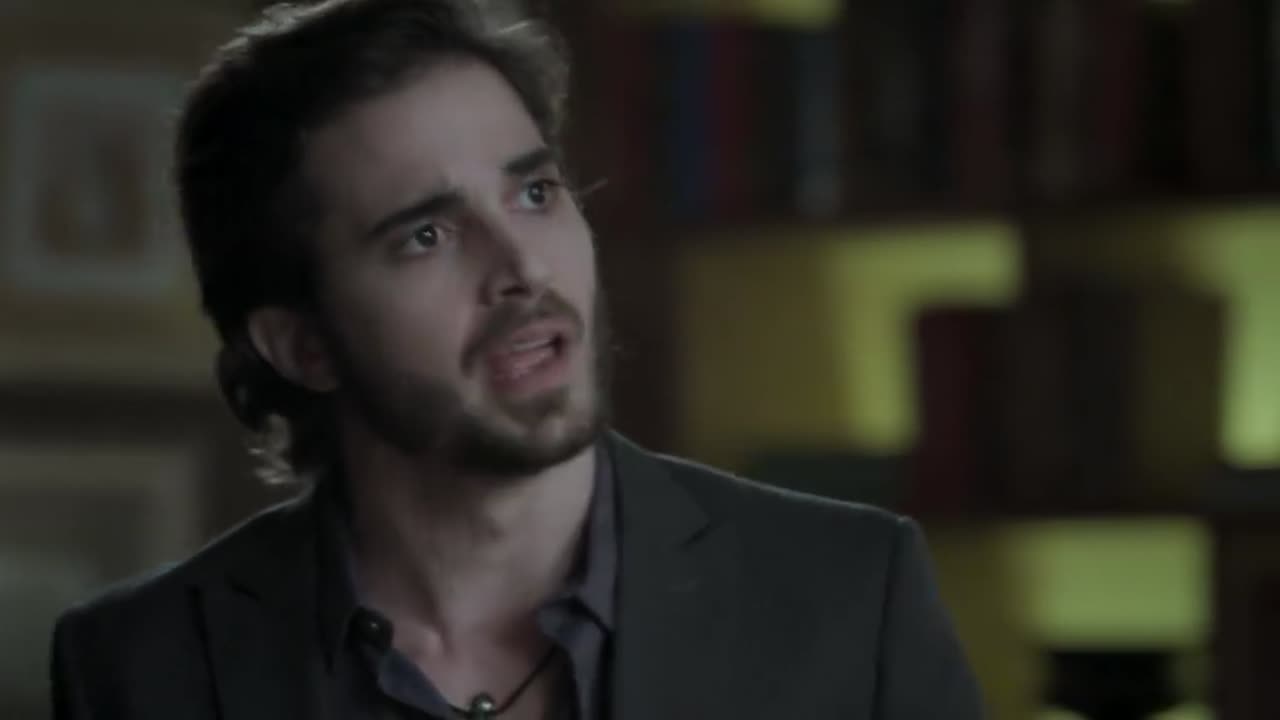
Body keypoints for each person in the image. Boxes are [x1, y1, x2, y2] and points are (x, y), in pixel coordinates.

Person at [49, 1, 985, 718]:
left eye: (535, 193)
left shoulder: (850, 597)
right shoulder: (141, 666)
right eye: (425, 235)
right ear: (304, 345)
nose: (524, 268)